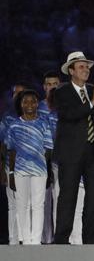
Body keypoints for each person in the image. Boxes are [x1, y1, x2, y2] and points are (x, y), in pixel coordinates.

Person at [53, 51, 94, 244]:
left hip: (93, 151)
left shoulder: (92, 90)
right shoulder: (61, 92)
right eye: (81, 66)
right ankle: (62, 240)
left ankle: (90, 238)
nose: (86, 69)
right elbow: (70, 115)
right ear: (71, 71)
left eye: (87, 66)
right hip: (71, 153)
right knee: (68, 197)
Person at [6, 89, 53, 244]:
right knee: (22, 205)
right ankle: (25, 241)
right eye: (25, 101)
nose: (29, 104)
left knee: (38, 206)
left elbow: (48, 149)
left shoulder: (44, 123)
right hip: (20, 171)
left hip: (39, 171)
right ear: (20, 104)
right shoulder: (14, 125)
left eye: (32, 101)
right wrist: (11, 173)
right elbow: (11, 151)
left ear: (37, 103)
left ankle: (36, 241)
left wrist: (45, 169)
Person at [0, 81, 29, 245]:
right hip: (11, 167)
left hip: (32, 168)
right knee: (13, 205)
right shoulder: (7, 118)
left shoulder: (35, 116)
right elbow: (2, 145)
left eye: (21, 92)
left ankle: (29, 241)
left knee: (30, 205)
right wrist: (3, 170)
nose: (18, 96)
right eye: (15, 93)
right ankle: (13, 241)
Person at [37, 71, 60, 244]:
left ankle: (60, 239)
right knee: (43, 201)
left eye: (55, 84)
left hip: (61, 159)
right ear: (44, 87)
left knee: (60, 198)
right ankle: (46, 240)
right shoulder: (36, 107)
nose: (52, 87)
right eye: (49, 84)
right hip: (41, 159)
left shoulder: (66, 106)